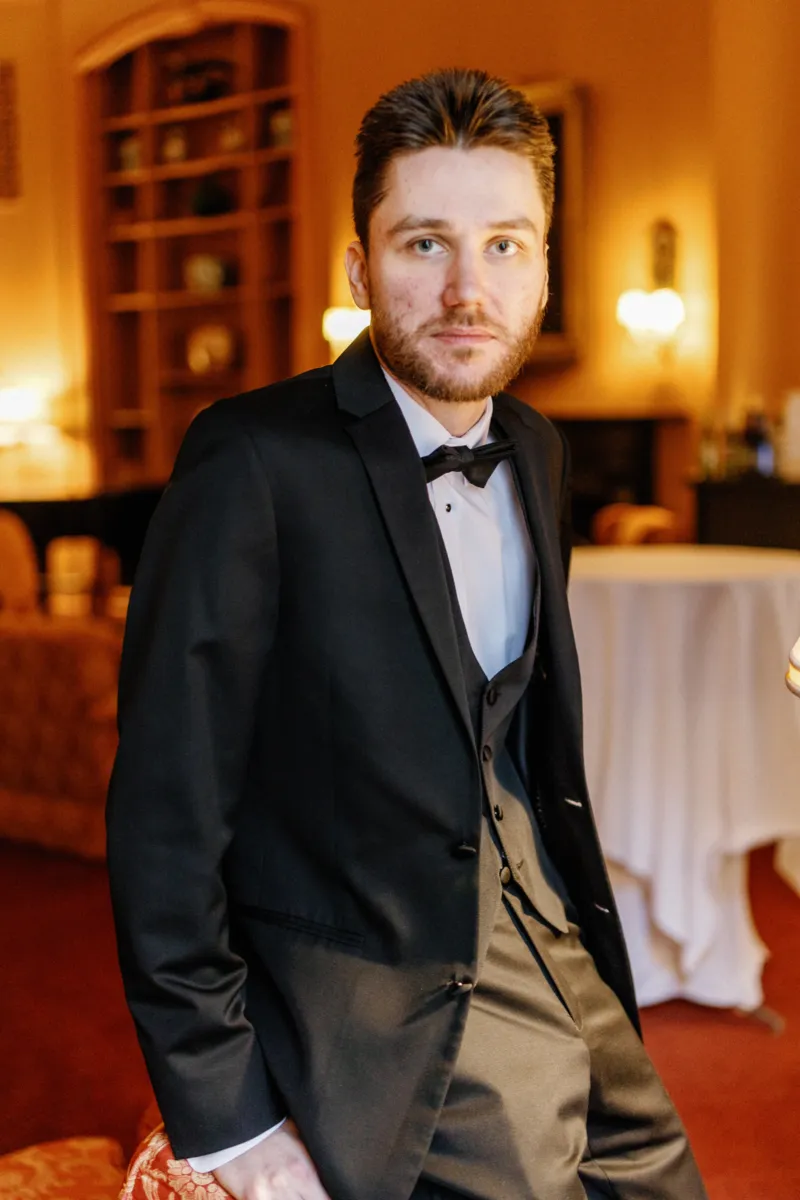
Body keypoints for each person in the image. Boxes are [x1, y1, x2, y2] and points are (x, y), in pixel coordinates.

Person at [107, 68, 708, 1200]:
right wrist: (225, 1118)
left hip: (555, 948)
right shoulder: (249, 462)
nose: (464, 290)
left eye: (503, 246)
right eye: (423, 244)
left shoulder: (532, 448)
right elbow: (163, 815)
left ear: (541, 265)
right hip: (375, 988)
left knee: (667, 1176)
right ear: (358, 267)